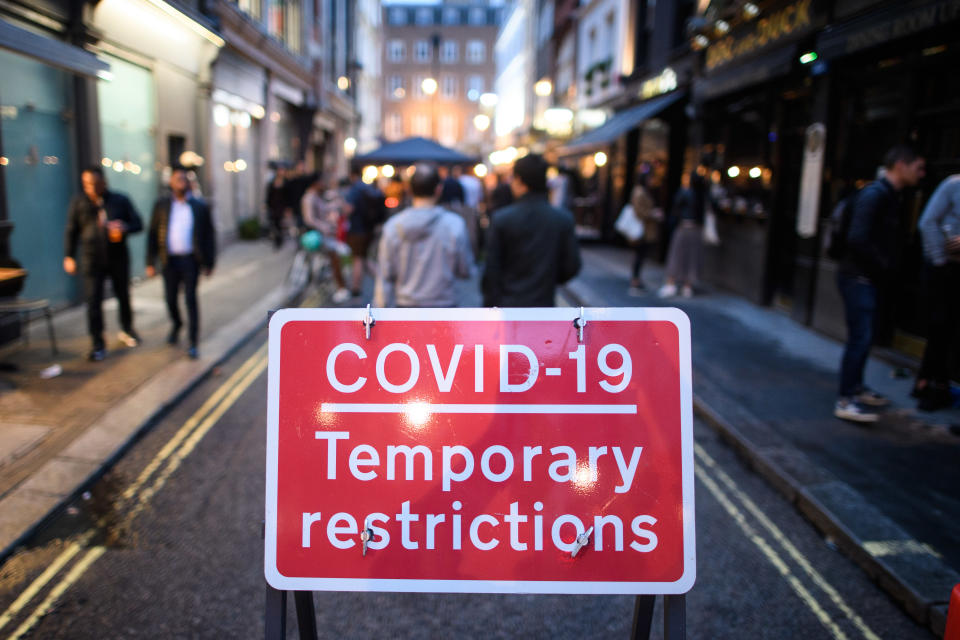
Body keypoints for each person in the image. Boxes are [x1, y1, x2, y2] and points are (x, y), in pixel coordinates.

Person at [834, 145, 926, 423]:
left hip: (867, 278)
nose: (922, 174)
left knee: (864, 337)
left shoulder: (889, 196)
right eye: (918, 167)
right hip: (858, 278)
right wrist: (884, 266)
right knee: (859, 338)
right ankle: (846, 398)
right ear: (901, 165)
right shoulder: (875, 195)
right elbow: (857, 238)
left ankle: (857, 389)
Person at [64, 166, 144, 361]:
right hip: (92, 258)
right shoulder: (79, 202)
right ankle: (97, 343)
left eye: (94, 183)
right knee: (93, 301)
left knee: (123, 295)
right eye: (86, 184)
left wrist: (124, 227)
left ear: (103, 182)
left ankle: (127, 329)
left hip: (117, 257)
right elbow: (71, 230)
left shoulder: (120, 200)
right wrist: (69, 256)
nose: (90, 188)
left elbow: (138, 223)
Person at [482, 154, 582, 307]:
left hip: (508, 305)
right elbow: (571, 266)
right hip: (543, 303)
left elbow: (492, 270)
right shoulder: (563, 219)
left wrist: (491, 305)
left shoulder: (502, 218)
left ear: (519, 180)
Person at [374, 164, 473, 308]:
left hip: (405, 310)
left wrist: (380, 314)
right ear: (439, 189)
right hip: (445, 309)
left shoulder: (393, 226)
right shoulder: (455, 225)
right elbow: (466, 270)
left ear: (409, 189)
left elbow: (384, 275)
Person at [146, 166, 217, 360]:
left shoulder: (199, 206)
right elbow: (152, 233)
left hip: (191, 260)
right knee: (170, 299)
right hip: (169, 260)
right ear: (171, 183)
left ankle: (193, 342)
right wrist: (150, 261)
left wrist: (209, 263)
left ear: (189, 183)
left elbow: (209, 236)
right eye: (177, 179)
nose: (181, 183)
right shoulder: (161, 205)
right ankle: (177, 324)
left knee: (190, 299)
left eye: (184, 180)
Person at [913, 174, 960, 411]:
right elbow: (927, 223)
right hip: (946, 270)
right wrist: (941, 261)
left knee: (945, 330)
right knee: (941, 328)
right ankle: (931, 385)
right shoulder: (954, 184)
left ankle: (931, 384)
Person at [658, 170, 707, 299]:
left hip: (684, 227)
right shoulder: (703, 196)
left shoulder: (685, 193)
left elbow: (675, 209)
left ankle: (671, 284)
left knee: (676, 255)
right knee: (692, 258)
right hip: (697, 230)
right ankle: (687, 286)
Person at [301, 176, 350, 303]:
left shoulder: (317, 196)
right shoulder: (309, 198)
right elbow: (309, 219)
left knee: (338, 255)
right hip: (316, 236)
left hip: (324, 234)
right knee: (335, 256)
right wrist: (325, 227)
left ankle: (338, 285)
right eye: (321, 181)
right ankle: (341, 287)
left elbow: (326, 210)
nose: (323, 184)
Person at [343, 167, 380, 297]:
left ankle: (355, 288)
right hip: (369, 228)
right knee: (364, 258)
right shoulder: (368, 188)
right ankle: (382, 280)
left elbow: (348, 209)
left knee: (357, 258)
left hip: (357, 229)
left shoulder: (354, 190)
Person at [627, 171, 663, 295]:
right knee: (639, 254)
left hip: (644, 228)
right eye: (649, 178)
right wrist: (653, 214)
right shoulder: (640, 192)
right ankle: (635, 281)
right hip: (642, 229)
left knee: (640, 255)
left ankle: (636, 279)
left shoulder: (641, 191)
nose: (651, 181)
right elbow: (639, 211)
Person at [265, 165, 288, 249]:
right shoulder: (272, 182)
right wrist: (266, 204)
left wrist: (287, 208)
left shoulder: (286, 182)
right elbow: (269, 195)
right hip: (273, 207)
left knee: (281, 224)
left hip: (281, 207)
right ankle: (277, 240)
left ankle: (280, 240)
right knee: (274, 224)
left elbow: (288, 196)